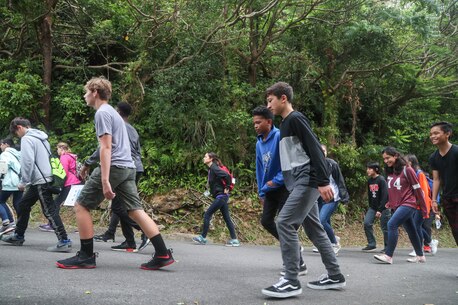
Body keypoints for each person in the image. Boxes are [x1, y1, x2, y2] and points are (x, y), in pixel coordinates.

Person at [56, 77, 174, 270]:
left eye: (86, 92)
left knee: (81, 205)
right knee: (135, 210)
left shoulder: (102, 113)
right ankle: (162, 253)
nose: (85, 96)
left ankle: (86, 256)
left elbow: (106, 147)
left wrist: (104, 179)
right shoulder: (114, 114)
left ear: (95, 92)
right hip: (129, 168)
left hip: (115, 167)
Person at [262, 82, 345, 299]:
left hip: (308, 181)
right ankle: (335, 275)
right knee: (314, 229)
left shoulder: (295, 119)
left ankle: (291, 280)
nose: (268, 105)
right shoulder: (285, 125)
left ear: (283, 98)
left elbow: (316, 149)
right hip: (298, 182)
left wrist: (323, 181)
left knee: (284, 223)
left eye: (270, 100)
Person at [2, 118, 72, 252]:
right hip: (42, 178)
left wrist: (23, 181)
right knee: (23, 205)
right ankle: (18, 235)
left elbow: (28, 162)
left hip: (40, 180)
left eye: (16, 133)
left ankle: (64, 240)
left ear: (19, 128)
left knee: (49, 210)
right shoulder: (42, 138)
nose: (18, 136)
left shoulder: (27, 139)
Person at [252, 106, 307, 276]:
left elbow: (288, 164)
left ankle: (297, 264)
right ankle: (295, 248)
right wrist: (262, 190)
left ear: (269, 122)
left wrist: (273, 182)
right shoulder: (259, 142)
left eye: (258, 122)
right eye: (254, 123)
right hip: (269, 190)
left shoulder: (279, 137)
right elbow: (260, 168)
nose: (255, 126)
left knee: (284, 225)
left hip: (284, 187)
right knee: (266, 221)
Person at [91, 101, 149, 252]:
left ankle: (145, 231)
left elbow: (106, 147)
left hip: (123, 167)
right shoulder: (133, 130)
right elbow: (137, 150)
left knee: (119, 206)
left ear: (117, 111)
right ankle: (129, 241)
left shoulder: (118, 125)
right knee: (122, 206)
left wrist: (87, 162)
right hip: (136, 166)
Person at [374, 147, 428, 264]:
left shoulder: (407, 170)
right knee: (411, 230)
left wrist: (424, 209)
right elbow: (393, 190)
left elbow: (418, 189)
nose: (386, 161)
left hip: (409, 203)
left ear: (396, 156)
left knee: (391, 224)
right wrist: (390, 203)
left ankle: (388, 256)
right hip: (398, 205)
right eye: (384, 159)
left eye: (388, 158)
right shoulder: (390, 172)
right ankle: (420, 255)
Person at [192, 152, 240, 247]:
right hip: (222, 196)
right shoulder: (211, 169)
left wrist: (227, 186)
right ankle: (234, 240)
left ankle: (203, 238)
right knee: (227, 218)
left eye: (205, 156)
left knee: (207, 214)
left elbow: (226, 175)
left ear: (211, 159)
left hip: (221, 197)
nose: (203, 158)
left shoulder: (214, 168)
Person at [38, 142, 83, 232]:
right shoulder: (72, 156)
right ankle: (82, 227)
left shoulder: (64, 157)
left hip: (69, 184)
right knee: (78, 205)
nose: (57, 151)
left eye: (58, 149)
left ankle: (52, 225)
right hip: (76, 182)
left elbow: (63, 172)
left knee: (56, 204)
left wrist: (57, 183)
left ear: (61, 149)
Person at [314, 144, 349, 255]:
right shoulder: (313, 164)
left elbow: (340, 181)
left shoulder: (332, 164)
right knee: (325, 221)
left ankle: (334, 243)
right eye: (319, 150)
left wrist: (344, 197)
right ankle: (327, 243)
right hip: (319, 198)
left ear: (326, 152)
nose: (322, 152)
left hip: (332, 197)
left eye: (323, 150)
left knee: (321, 220)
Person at [429, 121, 458, 246]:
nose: (433, 136)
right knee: (455, 230)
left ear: (447, 134)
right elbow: (436, 179)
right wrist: (434, 200)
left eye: (436, 133)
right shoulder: (433, 157)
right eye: (431, 134)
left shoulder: (456, 152)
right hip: (448, 199)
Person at [405, 154, 439, 256]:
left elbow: (423, 192)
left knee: (415, 226)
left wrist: (422, 207)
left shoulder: (420, 174)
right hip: (415, 205)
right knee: (417, 226)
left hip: (422, 205)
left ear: (410, 163)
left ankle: (418, 249)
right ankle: (430, 242)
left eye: (405, 162)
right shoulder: (412, 173)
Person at [363, 161, 390, 253]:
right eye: (367, 168)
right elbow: (370, 195)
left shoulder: (381, 180)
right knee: (367, 223)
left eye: (370, 169)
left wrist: (380, 209)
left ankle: (388, 247)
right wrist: (371, 206)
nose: (368, 170)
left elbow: (385, 195)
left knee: (385, 227)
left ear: (376, 170)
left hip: (384, 207)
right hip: (373, 207)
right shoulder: (370, 180)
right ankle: (371, 244)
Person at [0, 138, 22, 236]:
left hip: (9, 182)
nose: (0, 147)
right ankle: (19, 224)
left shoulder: (5, 154)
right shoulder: (18, 154)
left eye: (1, 144)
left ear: (6, 145)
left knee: (0, 201)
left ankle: (6, 222)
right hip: (20, 182)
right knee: (17, 203)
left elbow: (3, 168)